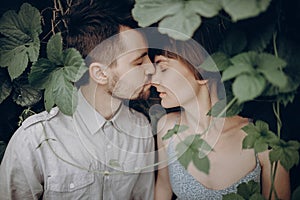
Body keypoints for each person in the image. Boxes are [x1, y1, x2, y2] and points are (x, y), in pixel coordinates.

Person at [0, 0, 155, 199]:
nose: (152, 68)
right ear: (99, 73)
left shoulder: (141, 130)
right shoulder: (35, 140)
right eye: (139, 61)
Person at [151, 36, 290, 200]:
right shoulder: (166, 128)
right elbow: (163, 189)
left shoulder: (264, 140)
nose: (153, 80)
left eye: (164, 68)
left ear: (202, 71)